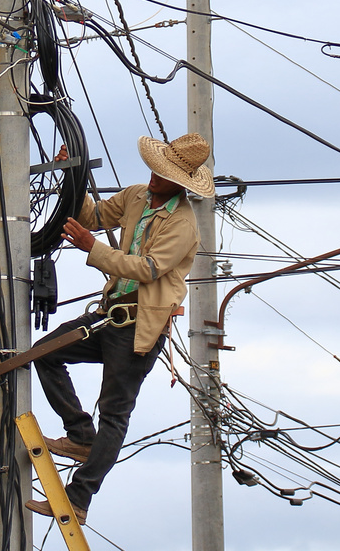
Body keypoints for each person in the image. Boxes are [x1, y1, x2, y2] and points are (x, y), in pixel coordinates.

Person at [27, 131, 212, 524]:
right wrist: (70, 178)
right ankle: (80, 434)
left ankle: (78, 498)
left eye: (162, 174)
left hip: (138, 326)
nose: (153, 177)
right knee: (45, 353)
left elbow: (146, 269)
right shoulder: (136, 196)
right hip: (110, 314)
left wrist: (91, 248)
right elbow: (93, 216)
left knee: (114, 413)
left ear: (179, 183)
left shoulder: (182, 225)